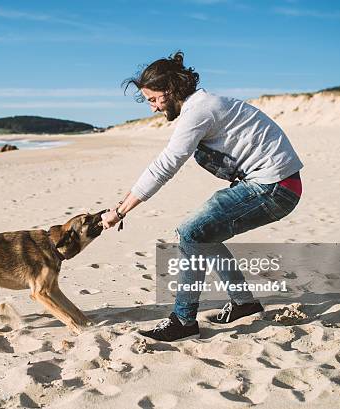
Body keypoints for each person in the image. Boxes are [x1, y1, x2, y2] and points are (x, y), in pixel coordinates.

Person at [101, 51, 303, 342]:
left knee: (191, 232)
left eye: (154, 99)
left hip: (274, 186)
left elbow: (165, 165)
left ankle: (183, 320)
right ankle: (244, 303)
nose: (154, 108)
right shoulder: (203, 105)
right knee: (205, 235)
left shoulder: (199, 111)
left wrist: (120, 211)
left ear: (170, 91)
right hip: (278, 183)